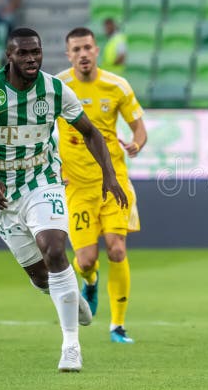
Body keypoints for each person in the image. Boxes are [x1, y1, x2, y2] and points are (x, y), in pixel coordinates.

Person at [0, 27, 129, 372]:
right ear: (9, 56)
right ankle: (73, 300)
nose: (32, 59)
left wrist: (109, 175)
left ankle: (71, 346)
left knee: (56, 248)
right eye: (24, 53)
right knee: (40, 276)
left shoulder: (56, 90)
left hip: (43, 181)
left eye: (37, 52)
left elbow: (90, 133)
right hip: (2, 194)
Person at [55, 27, 146, 344]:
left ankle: (117, 325)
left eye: (87, 48)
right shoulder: (57, 86)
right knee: (85, 261)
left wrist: (136, 143)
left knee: (118, 249)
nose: (82, 54)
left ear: (96, 51)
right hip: (78, 187)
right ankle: (90, 282)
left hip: (113, 181)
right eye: (76, 49)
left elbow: (139, 128)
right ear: (68, 55)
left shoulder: (117, 85)